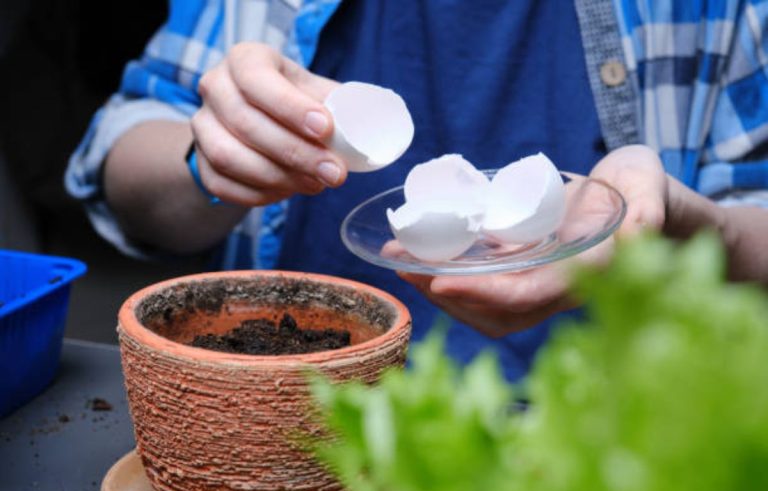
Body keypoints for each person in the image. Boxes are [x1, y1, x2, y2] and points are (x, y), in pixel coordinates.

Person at [66, 0, 768, 381]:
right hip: (295, 435)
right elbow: (123, 147)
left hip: (609, 443)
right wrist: (209, 157)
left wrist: (686, 222)